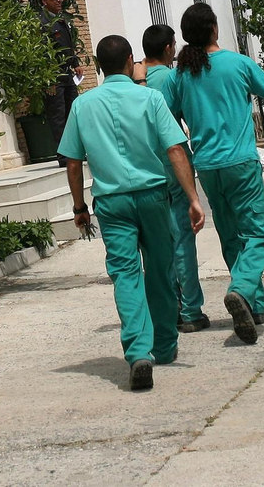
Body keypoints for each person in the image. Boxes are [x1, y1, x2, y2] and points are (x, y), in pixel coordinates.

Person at [60, 34, 205, 391]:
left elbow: (74, 162)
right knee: (160, 268)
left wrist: (79, 206)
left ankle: (138, 351)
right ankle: (165, 346)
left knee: (125, 275)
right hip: (154, 196)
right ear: (130, 60)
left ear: (98, 66)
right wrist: (193, 197)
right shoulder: (151, 98)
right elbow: (174, 149)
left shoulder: (82, 105)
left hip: (112, 202)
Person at [167, 2, 264, 345]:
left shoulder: (182, 75)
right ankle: (240, 289)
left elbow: (170, 118)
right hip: (240, 162)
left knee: (232, 237)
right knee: (258, 234)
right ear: (215, 29)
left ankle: (255, 304)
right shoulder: (238, 63)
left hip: (206, 166)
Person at [141, 23, 209, 333]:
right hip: (174, 165)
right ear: (169, 48)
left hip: (146, 168)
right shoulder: (173, 77)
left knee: (158, 244)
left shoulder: (135, 82)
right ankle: (191, 310)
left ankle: (169, 307)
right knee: (182, 239)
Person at [39, 0, 80, 166]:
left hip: (67, 74)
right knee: (58, 116)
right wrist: (47, 80)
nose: (59, 0)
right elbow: (40, 53)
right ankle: (64, 156)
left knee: (74, 113)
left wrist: (76, 63)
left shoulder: (62, 20)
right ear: (44, 1)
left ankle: (76, 151)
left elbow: (67, 44)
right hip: (53, 76)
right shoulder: (41, 23)